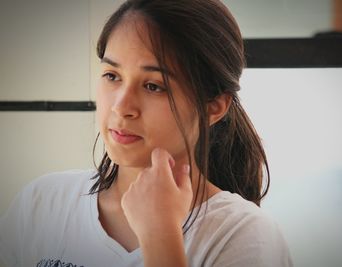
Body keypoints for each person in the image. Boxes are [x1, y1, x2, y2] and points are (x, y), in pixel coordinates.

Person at [0, 0, 293, 266]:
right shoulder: (42, 204)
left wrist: (160, 235)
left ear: (213, 108)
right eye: (112, 76)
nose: (121, 107)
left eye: (154, 86)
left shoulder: (244, 236)